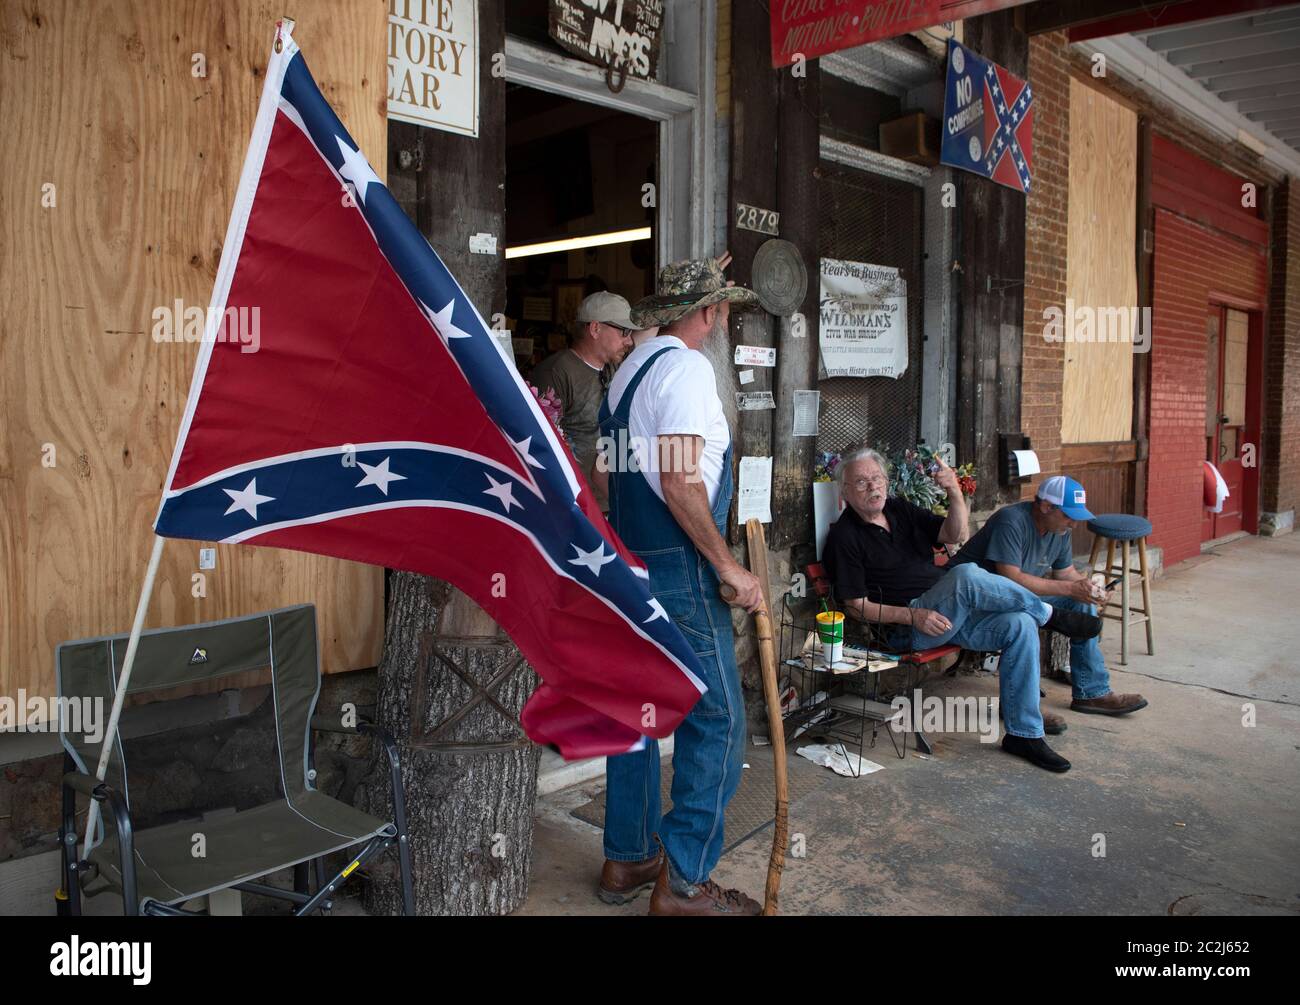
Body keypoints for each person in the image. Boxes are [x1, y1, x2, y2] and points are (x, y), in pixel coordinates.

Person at [595, 255, 765, 916]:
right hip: (681, 570)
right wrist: (726, 565)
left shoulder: (624, 374)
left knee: (635, 711)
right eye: (722, 308)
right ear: (706, 313)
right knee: (719, 719)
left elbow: (605, 475)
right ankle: (685, 880)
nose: (723, 318)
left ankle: (628, 856)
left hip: (629, 563)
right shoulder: (688, 368)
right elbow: (680, 479)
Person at [822, 446, 1103, 774]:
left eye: (877, 478)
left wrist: (954, 490)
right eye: (861, 482)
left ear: (886, 481)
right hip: (910, 627)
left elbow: (954, 534)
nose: (872, 487)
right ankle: (1051, 615)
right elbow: (856, 608)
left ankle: (1024, 734)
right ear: (844, 490)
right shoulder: (844, 537)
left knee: (1020, 624)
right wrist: (914, 616)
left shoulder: (900, 510)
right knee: (966, 574)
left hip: (950, 611)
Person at [951, 475, 1148, 717]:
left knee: (1081, 604)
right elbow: (1010, 580)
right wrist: (1070, 589)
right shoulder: (1010, 521)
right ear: (1046, 506)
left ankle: (1092, 693)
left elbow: (1065, 573)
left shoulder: (1060, 529)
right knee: (1027, 615)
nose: (1074, 524)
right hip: (977, 604)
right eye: (1068, 515)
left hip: (1018, 599)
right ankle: (1022, 705)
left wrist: (1091, 588)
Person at [528, 292, 637, 509]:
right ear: (595, 328)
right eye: (624, 331)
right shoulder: (556, 373)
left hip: (611, 502)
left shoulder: (615, 368)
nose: (629, 340)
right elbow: (542, 447)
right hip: (577, 506)